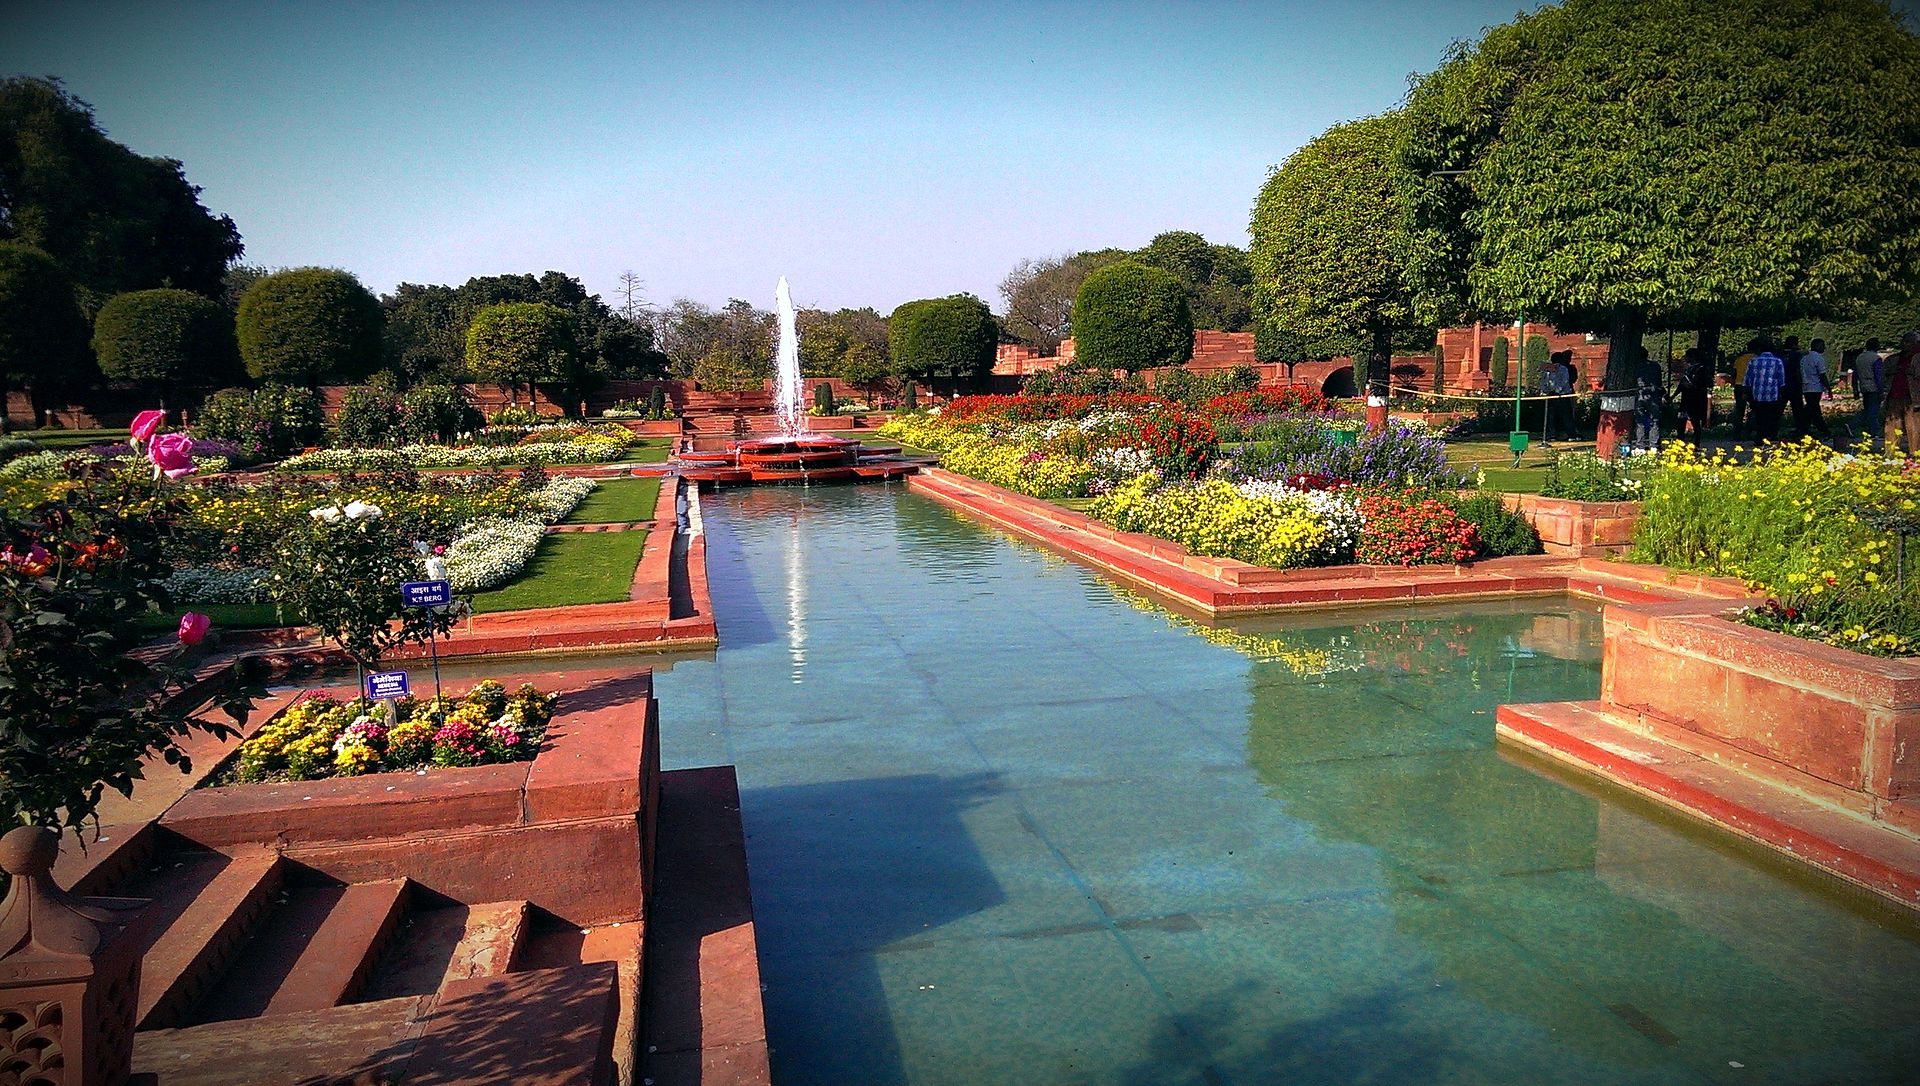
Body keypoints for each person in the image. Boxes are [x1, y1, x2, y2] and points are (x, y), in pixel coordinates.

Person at [1744, 338, 1787, 441]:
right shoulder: (1778, 361)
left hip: (1757, 394)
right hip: (1773, 394)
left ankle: (1760, 436)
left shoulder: (1753, 361)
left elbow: (1748, 379)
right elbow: (1781, 380)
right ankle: (1770, 435)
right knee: (1771, 416)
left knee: (1759, 416)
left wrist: (1747, 393)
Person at [1887, 331, 1920, 455]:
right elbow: (1885, 373)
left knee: (1913, 427)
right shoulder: (1894, 359)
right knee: (1892, 426)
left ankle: (1915, 454)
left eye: (1909, 342)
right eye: (1904, 341)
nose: (1905, 344)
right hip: (1894, 395)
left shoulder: (1917, 358)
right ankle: (1890, 453)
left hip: (1913, 397)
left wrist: (1912, 372)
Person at [1632, 346, 1667, 450]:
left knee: (1640, 420)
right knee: (1654, 420)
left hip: (1639, 394)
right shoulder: (1655, 366)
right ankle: (1654, 445)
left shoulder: (1635, 367)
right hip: (1653, 395)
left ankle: (1640, 445)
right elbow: (1659, 381)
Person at [1677, 345, 1713, 442]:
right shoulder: (1689, 369)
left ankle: (1696, 442)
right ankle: (1680, 440)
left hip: (1695, 398)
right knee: (1682, 421)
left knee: (1694, 421)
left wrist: (1690, 385)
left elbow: (1698, 384)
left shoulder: (1700, 369)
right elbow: (1681, 385)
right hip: (1687, 398)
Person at [1797, 337, 1831, 439]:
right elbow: (1822, 375)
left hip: (1806, 387)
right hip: (1815, 387)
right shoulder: (1818, 358)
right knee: (1814, 410)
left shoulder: (1804, 358)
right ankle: (1824, 431)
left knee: (1810, 409)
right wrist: (1828, 388)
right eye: (1822, 346)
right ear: (1818, 346)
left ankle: (1804, 429)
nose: (1824, 348)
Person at [1855, 338, 1885, 447]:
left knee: (1867, 409)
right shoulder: (1876, 358)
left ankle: (1855, 425)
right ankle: (1873, 432)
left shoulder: (1860, 357)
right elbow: (1878, 376)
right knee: (1873, 411)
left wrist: (1855, 389)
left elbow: (1855, 374)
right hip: (1873, 387)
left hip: (1863, 386)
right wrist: (1881, 390)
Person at [1541, 349, 1574, 442]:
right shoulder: (1548, 370)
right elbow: (1545, 381)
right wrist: (1545, 390)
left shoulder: (1563, 369)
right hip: (1552, 395)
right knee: (1551, 416)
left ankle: (1571, 434)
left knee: (1566, 415)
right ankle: (1553, 434)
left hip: (1563, 395)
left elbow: (1565, 381)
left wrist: (1557, 390)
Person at [1730, 340, 1758, 438]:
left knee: (1739, 410)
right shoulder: (1756, 358)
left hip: (1739, 385)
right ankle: (1749, 429)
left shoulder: (1740, 359)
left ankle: (1736, 433)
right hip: (1752, 386)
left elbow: (1734, 373)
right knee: (1756, 408)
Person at [1780, 335, 1806, 436]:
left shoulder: (1781, 355)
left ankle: (1772, 429)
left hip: (1782, 385)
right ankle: (1801, 429)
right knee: (1798, 409)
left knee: (1779, 409)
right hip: (1794, 385)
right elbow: (1798, 370)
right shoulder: (1797, 355)